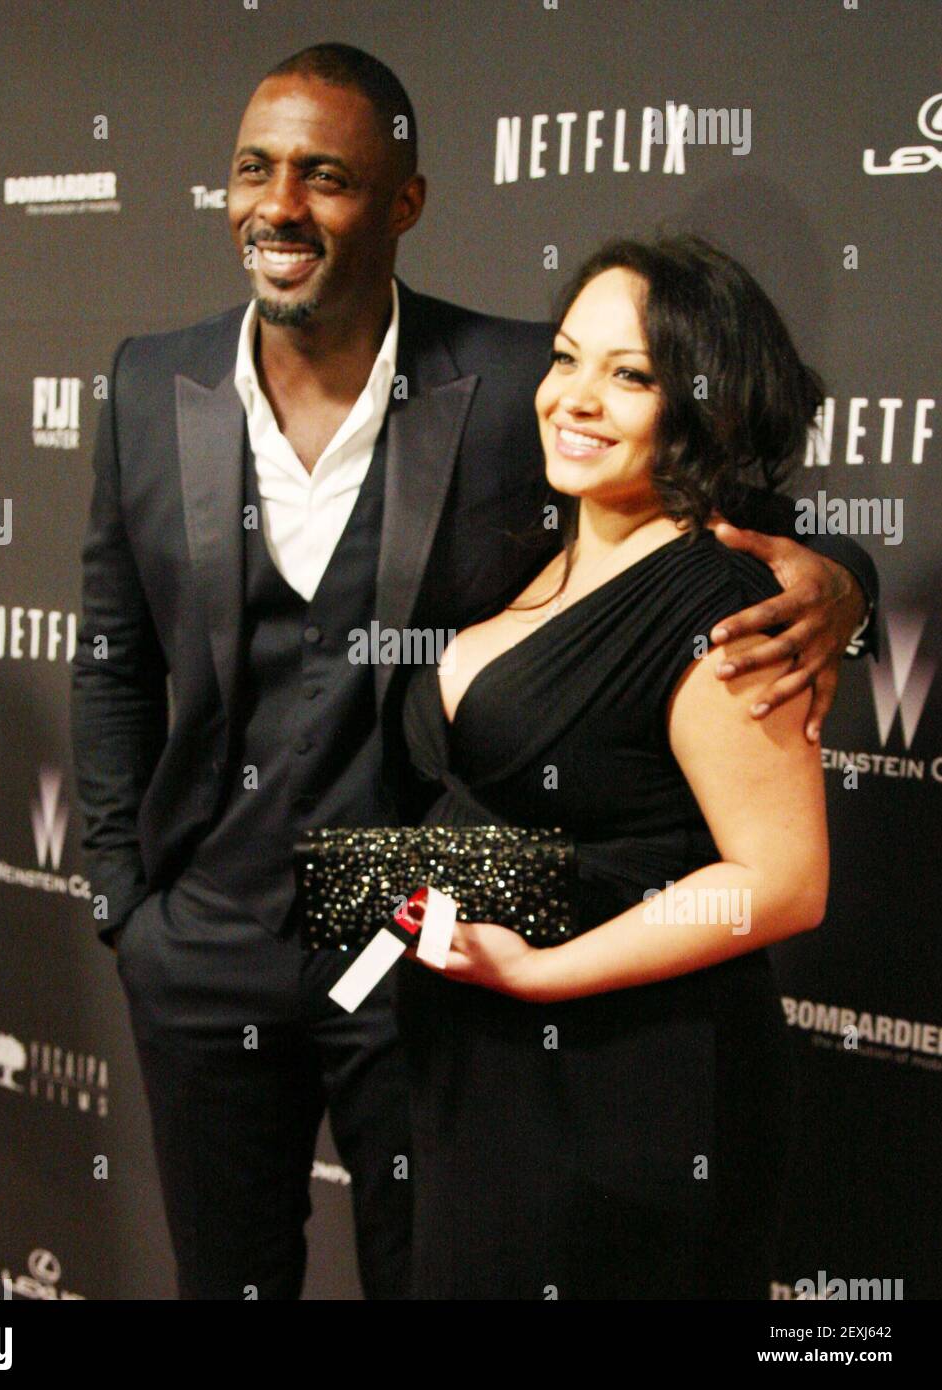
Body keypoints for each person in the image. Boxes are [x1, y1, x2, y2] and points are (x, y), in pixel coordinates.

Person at [69, 43, 876, 1300]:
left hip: (416, 950)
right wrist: (126, 897)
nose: (280, 206)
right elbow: (111, 655)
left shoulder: (513, 379)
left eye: (325, 176)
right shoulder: (142, 382)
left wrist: (841, 585)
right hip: (202, 937)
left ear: (402, 202)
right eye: (254, 170)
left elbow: (718, 498)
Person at [397, 234, 841, 1300]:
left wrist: (539, 972)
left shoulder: (722, 604)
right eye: (565, 358)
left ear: (706, 404)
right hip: (486, 1074)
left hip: (629, 1090)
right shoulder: (533, 553)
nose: (575, 398)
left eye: (630, 374)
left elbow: (781, 882)